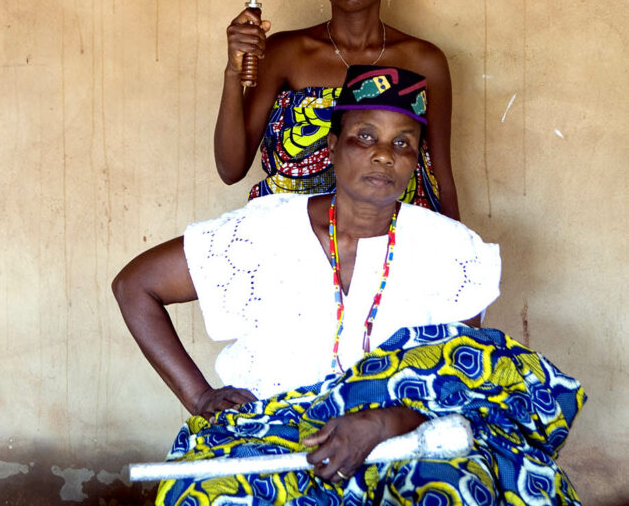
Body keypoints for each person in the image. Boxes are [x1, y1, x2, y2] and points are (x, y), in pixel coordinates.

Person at [113, 67, 585, 506]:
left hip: (402, 436)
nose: (384, 154)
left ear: (414, 162)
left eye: (403, 144)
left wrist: (379, 422)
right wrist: (199, 398)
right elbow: (136, 286)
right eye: (364, 137)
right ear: (333, 147)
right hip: (268, 432)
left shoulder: (452, 250)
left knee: (457, 490)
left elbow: (453, 379)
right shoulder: (263, 230)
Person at [214, 0, 459, 218]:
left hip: (393, 247)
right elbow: (231, 169)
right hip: (293, 243)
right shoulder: (285, 53)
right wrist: (233, 72)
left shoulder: (424, 61)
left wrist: (461, 261)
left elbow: (440, 178)